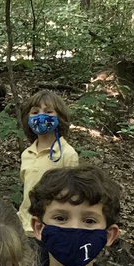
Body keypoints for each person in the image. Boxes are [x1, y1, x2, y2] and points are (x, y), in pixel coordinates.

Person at [18, 90, 80, 233]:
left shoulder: (67, 154)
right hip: (24, 226)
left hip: (52, 229)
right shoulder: (27, 154)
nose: (41, 116)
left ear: (60, 117)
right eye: (35, 112)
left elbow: (73, 196)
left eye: (48, 112)